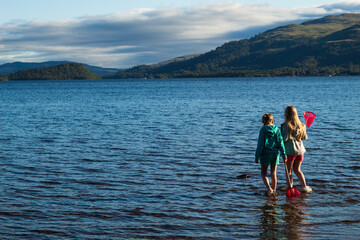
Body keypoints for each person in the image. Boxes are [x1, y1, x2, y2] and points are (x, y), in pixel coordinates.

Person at [281, 105, 312, 193]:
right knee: (297, 170)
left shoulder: (286, 126)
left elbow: (284, 139)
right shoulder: (302, 125)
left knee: (289, 171)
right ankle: (305, 187)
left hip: (290, 151)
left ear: (286, 114)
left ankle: (290, 188)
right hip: (300, 151)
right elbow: (305, 138)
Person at [255, 113, 287, 195]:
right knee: (273, 173)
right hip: (275, 153)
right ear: (272, 120)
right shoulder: (277, 129)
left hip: (265, 154)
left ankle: (269, 189)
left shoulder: (263, 130)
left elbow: (260, 144)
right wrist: (284, 155)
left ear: (263, 121)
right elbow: (281, 143)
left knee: (263, 173)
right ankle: (274, 190)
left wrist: (257, 157)